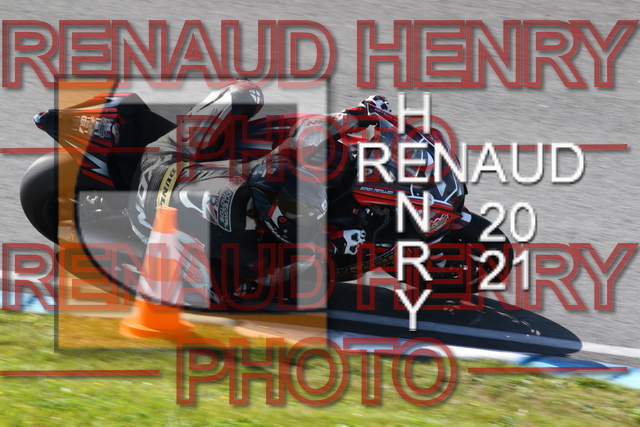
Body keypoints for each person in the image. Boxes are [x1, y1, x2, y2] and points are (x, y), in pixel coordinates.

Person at [128, 78, 390, 301]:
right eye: (298, 215)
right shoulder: (241, 243)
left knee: (245, 92)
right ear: (275, 215)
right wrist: (329, 251)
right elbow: (296, 280)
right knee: (227, 291)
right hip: (150, 215)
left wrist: (358, 114)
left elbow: (303, 137)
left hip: (166, 164)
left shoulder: (269, 171)